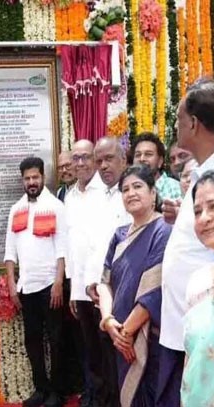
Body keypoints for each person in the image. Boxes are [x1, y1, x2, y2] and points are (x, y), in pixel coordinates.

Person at [95, 165, 171, 406]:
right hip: (120, 337)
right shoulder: (119, 235)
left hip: (147, 340)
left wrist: (126, 334)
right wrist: (109, 322)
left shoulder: (164, 230)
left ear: (153, 193)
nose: (131, 193)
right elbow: (104, 283)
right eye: (125, 189)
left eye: (137, 186)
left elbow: (154, 291)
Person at [160, 78, 214, 407]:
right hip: (186, 329)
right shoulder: (199, 174)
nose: (176, 126)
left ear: (193, 123)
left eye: (178, 119)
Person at [4, 156, 67, 407]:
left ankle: (57, 393)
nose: (31, 182)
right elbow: (10, 251)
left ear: (43, 177)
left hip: (50, 286)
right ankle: (40, 389)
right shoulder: (16, 209)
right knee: (32, 340)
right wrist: (12, 285)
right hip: (26, 287)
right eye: (27, 178)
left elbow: (62, 248)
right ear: (22, 180)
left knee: (56, 340)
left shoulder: (55, 206)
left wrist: (58, 282)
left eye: (35, 177)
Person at [88, 137, 131, 407]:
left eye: (109, 159)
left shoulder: (132, 193)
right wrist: (91, 282)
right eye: (99, 161)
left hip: (128, 293)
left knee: (127, 362)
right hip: (101, 295)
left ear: (124, 160)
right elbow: (92, 244)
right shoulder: (96, 197)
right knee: (106, 362)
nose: (103, 166)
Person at [64, 140, 103, 407]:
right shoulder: (69, 197)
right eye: (75, 158)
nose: (80, 163)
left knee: (104, 346)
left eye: (85, 157)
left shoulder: (107, 192)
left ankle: (106, 398)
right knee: (87, 346)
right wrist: (73, 290)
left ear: (95, 160)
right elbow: (70, 245)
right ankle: (92, 395)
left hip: (101, 286)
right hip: (79, 288)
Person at [181, 170, 214, 406]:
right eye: (197, 211)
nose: (204, 218)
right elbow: (192, 360)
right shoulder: (197, 282)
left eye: (213, 207)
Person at [131, 132, 182, 203]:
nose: (142, 159)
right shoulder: (127, 189)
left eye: (148, 154)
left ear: (160, 161)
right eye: (138, 155)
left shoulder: (175, 187)